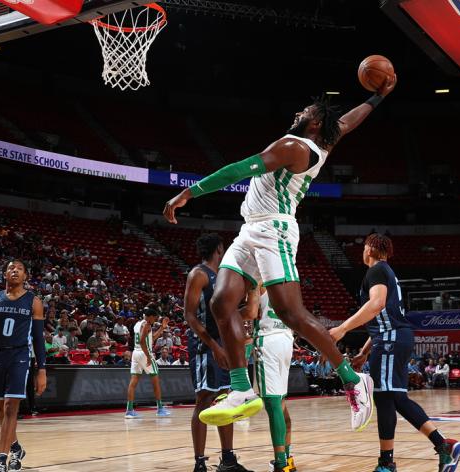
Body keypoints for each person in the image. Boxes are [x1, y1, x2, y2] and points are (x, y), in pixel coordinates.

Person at [164, 77, 397, 431]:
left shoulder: (293, 145)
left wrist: (189, 192)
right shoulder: (323, 144)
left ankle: (351, 378)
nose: (297, 113)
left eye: (305, 111)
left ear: (315, 123)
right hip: (250, 228)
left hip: (275, 230)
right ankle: (242, 388)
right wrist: (378, 97)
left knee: (292, 313)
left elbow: (240, 169)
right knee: (221, 302)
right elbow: (348, 122)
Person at [329, 233, 460, 472]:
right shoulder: (384, 272)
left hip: (391, 339)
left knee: (386, 398)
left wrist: (342, 328)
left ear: (369, 249)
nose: (362, 251)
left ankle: (389, 462)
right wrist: (364, 353)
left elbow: (377, 305)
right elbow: (383, 317)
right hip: (391, 338)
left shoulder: (377, 270)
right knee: (394, 398)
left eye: (364, 247)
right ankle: (442, 446)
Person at [183, 233, 253, 472]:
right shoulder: (198, 274)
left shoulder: (224, 277)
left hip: (225, 346)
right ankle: (200, 463)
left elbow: (230, 313)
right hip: (205, 347)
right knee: (204, 399)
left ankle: (228, 459)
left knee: (227, 401)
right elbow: (189, 315)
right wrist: (214, 346)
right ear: (219, 250)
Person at [0, 260, 47, 472]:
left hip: (20, 355)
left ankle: (2, 459)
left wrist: (41, 370)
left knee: (10, 407)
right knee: (0, 409)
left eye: (19, 268)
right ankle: (16, 448)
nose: (15, 270)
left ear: (25, 276)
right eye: (11, 268)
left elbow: (38, 338)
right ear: (5, 274)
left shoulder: (33, 301)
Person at [243, 285, 297, 472]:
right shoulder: (287, 281)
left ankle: (281, 463)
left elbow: (250, 312)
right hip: (286, 339)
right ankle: (287, 458)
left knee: (273, 404)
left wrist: (232, 313)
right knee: (281, 403)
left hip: (268, 340)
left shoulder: (257, 280)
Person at [125, 306, 171, 418]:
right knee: (155, 381)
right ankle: (160, 408)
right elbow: (142, 341)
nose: (154, 320)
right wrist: (148, 357)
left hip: (135, 354)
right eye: (154, 318)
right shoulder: (147, 325)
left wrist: (162, 328)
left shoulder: (137, 324)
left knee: (133, 382)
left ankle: (129, 410)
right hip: (144, 353)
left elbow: (151, 339)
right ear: (150, 317)